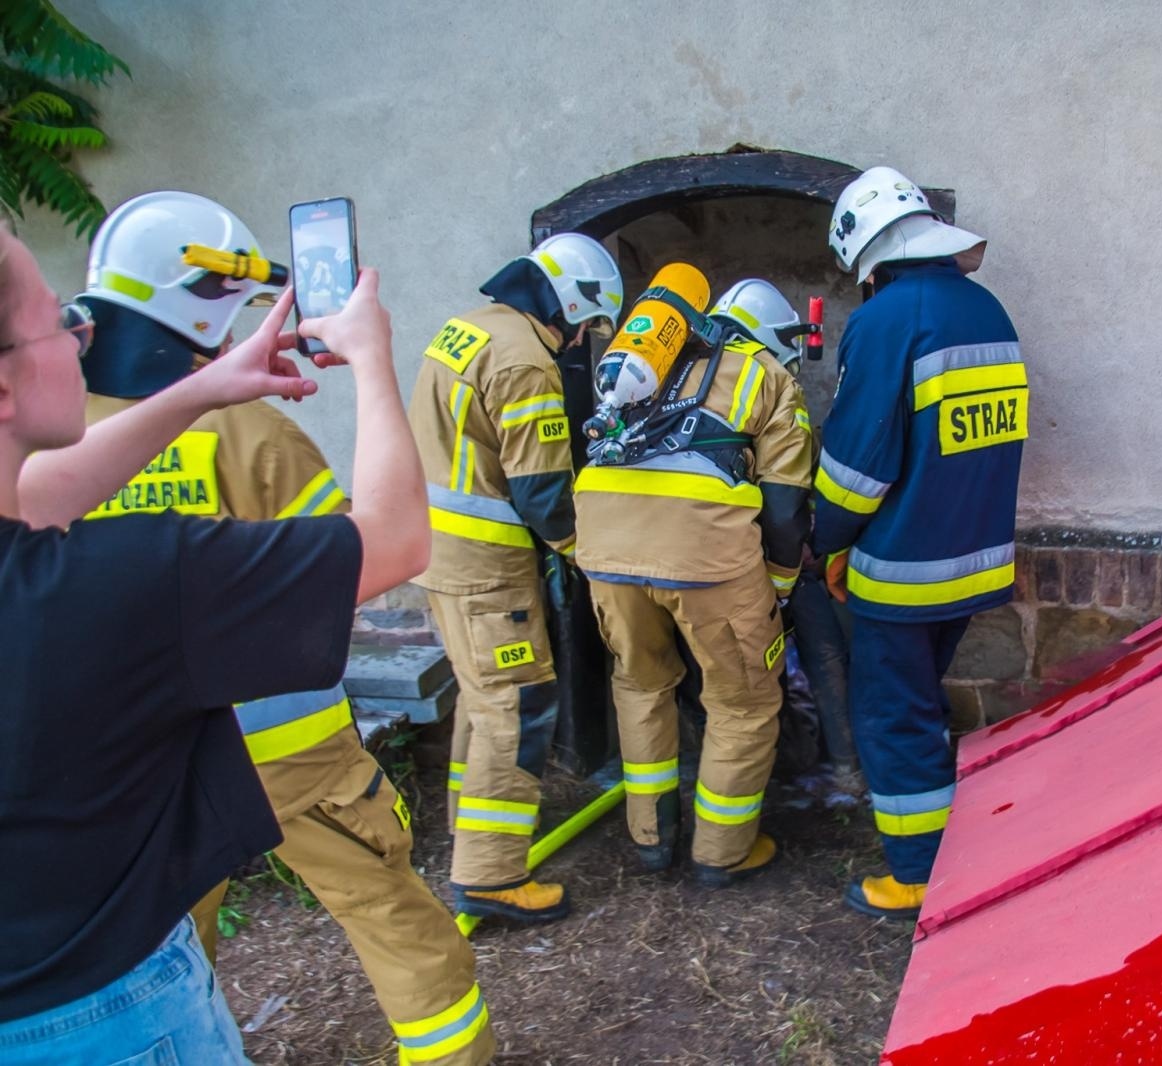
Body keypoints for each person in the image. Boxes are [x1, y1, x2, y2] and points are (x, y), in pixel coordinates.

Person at [76, 191, 492, 1066]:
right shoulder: (253, 435)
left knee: (166, 941)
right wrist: (367, 359)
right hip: (290, 751)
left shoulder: (47, 451)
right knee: (385, 909)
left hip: (141, 767)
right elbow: (360, 569)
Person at [0, 224, 431, 1062]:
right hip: (106, 1020)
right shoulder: (135, 579)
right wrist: (374, 357)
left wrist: (204, 390)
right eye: (58, 320)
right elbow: (396, 537)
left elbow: (43, 492)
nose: (82, 332)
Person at [813, 166, 1027, 919]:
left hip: (903, 570)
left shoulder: (885, 321)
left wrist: (822, 538)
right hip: (974, 560)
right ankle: (944, 845)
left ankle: (919, 875)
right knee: (920, 707)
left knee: (891, 718)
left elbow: (855, 466)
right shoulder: (986, 310)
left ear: (869, 260)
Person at [408, 233, 622, 924]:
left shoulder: (467, 329)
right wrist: (590, 554)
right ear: (570, 303)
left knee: (481, 702)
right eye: (588, 326)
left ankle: (468, 845)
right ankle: (492, 875)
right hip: (486, 568)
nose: (581, 342)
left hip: (437, 555)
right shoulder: (526, 361)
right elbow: (541, 492)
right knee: (518, 708)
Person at [573, 266, 812, 885]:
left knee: (641, 683)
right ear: (769, 337)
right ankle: (722, 853)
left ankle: (652, 840)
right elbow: (785, 506)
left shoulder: (650, 366)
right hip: (702, 553)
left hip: (602, 546)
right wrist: (779, 588)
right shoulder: (767, 373)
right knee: (744, 703)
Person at [707, 279, 856, 776]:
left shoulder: (687, 372)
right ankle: (843, 766)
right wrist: (786, 578)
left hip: (695, 560)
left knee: (726, 679)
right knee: (824, 653)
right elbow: (784, 497)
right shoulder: (770, 379)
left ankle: (771, 768)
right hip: (766, 557)